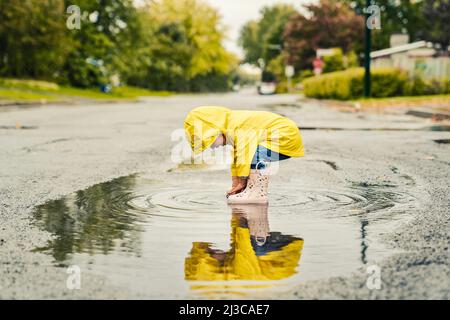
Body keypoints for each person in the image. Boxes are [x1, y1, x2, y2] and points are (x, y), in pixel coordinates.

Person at [184, 106, 304, 204]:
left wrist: (242, 181)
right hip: (280, 135)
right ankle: (250, 190)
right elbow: (236, 157)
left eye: (211, 142)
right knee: (248, 156)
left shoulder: (235, 125)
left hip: (285, 135)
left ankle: (257, 194)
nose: (213, 147)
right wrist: (236, 184)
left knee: (253, 155)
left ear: (215, 130)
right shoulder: (229, 126)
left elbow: (244, 153)